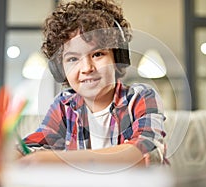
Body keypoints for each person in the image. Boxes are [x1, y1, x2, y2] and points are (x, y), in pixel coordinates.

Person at [18, 0, 167, 167]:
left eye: (97, 54)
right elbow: (33, 145)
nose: (87, 68)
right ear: (60, 69)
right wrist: (12, 153)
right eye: (73, 59)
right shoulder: (65, 104)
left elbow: (143, 154)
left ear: (118, 58)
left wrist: (61, 160)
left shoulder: (141, 97)